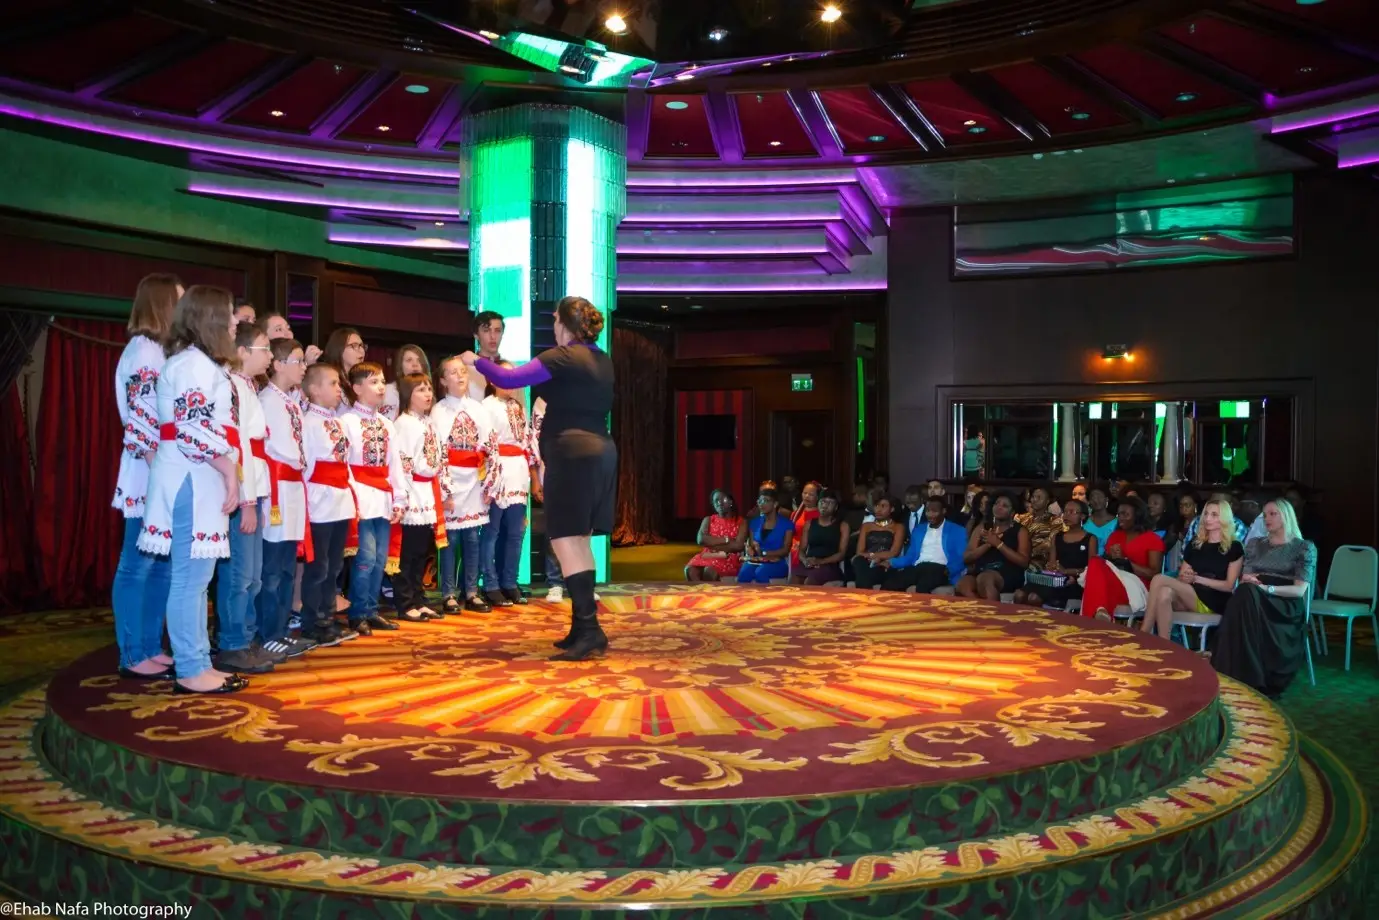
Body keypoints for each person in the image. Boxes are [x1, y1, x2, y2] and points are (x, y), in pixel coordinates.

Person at [462, 296, 616, 662]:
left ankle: (589, 628)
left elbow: (509, 378)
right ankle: (584, 626)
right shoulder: (603, 359)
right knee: (579, 539)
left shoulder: (560, 357)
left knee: (564, 540)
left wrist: (476, 361)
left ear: (563, 324)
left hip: (572, 453)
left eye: (555, 322)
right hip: (601, 451)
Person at [135, 285, 246, 695]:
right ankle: (190, 666)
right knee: (189, 579)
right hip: (190, 477)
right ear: (212, 318)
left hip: (196, 476)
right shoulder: (191, 365)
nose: (236, 322)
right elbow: (192, 429)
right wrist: (230, 471)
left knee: (197, 578)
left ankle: (197, 661)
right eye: (231, 313)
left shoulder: (197, 363)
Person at [110, 273, 180, 679]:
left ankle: (150, 644)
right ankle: (132, 651)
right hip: (147, 471)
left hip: (163, 468)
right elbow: (140, 422)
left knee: (162, 565)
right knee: (137, 563)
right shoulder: (142, 352)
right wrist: (162, 475)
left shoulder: (162, 352)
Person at [213, 321, 280, 674]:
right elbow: (237, 446)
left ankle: (247, 637)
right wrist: (249, 500)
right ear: (241, 352)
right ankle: (233, 642)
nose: (270, 355)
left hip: (254, 488)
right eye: (264, 348)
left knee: (253, 575)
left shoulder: (247, 385)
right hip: (242, 493)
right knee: (239, 574)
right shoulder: (230, 386)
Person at [1212, 500, 1317, 697]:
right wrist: (1248, 580)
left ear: (1286, 516)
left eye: (1272, 514)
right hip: (1253, 599)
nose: (1267, 518)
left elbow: (1299, 591)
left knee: (1246, 595)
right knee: (1245, 593)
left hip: (1283, 604)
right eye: (1265, 514)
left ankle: (1231, 670)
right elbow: (1246, 579)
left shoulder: (1303, 547)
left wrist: (1267, 589)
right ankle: (1242, 673)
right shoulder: (1255, 544)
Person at [339, 362, 409, 635]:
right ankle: (357, 613)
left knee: (380, 558)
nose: (381, 387)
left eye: (382, 381)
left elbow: (395, 464)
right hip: (360, 498)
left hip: (382, 497)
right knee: (365, 558)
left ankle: (371, 609)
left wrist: (399, 498)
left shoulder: (386, 424)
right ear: (356, 388)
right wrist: (351, 495)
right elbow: (343, 463)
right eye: (373, 382)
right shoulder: (346, 421)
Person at [256, 338, 315, 660]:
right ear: (278, 365)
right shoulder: (267, 400)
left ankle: (280, 630)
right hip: (276, 491)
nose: (303, 367)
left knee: (288, 567)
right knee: (273, 568)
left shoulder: (291, 402)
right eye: (296, 360)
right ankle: (268, 633)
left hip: (293, 490)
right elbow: (271, 449)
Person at [298, 363, 360, 648]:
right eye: (333, 383)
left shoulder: (338, 421)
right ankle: (314, 621)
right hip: (320, 502)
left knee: (334, 565)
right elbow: (306, 465)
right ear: (313, 389)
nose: (339, 389)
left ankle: (329, 616)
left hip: (339, 501)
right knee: (319, 566)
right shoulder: (308, 422)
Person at [431, 356, 496, 613]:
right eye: (452, 373)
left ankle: (471, 590)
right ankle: (448, 592)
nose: (459, 377)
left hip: (474, 481)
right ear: (443, 380)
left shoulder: (479, 409)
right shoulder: (438, 411)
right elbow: (436, 452)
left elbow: (490, 447)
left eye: (462, 372)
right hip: (450, 482)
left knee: (472, 538)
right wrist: (444, 489)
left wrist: (490, 483)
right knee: (450, 541)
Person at [393, 372, 451, 623]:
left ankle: (419, 597)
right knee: (408, 552)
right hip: (413, 492)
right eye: (420, 390)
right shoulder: (404, 423)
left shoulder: (428, 422)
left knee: (421, 552)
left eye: (429, 388)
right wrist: (402, 497)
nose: (427, 394)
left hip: (428, 492)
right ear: (408, 395)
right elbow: (403, 463)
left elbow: (439, 457)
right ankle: (405, 602)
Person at [477, 361, 536, 609]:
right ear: (491, 380)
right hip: (497, 470)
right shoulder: (486, 406)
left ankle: (509, 580)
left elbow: (527, 442)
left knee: (516, 532)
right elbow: (482, 443)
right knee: (491, 532)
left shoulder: (519, 408)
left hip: (518, 472)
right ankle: (489, 583)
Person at [1141, 500, 1243, 640]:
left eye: (1214, 515)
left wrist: (1197, 579)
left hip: (1214, 600)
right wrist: (1186, 577)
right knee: (1164, 593)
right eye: (1206, 514)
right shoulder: (1195, 544)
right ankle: (1164, 643)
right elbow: (1182, 575)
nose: (1207, 518)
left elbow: (1229, 586)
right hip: (1191, 594)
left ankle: (1144, 631)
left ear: (1224, 518)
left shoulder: (1234, 547)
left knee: (1159, 578)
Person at [1079, 495, 1165, 620]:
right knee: (1096, 561)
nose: (1121, 518)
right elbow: (1106, 566)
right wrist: (1110, 557)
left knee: (1095, 581)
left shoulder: (1152, 539)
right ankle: (1100, 611)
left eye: (1126, 514)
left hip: (1137, 587)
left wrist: (1125, 561)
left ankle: (1094, 617)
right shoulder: (1114, 536)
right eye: (1119, 514)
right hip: (1113, 583)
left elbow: (1154, 573)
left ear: (1137, 515)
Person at [877, 495, 967, 594]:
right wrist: (891, 562)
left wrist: (949, 571)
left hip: (940, 568)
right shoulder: (919, 529)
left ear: (944, 511)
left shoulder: (957, 530)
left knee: (922, 587)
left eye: (934, 511)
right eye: (927, 511)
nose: (930, 514)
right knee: (889, 585)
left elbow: (961, 557)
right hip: (919, 566)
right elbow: (911, 556)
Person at [1022, 498, 1096, 609]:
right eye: (1065, 512)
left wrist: (1067, 572)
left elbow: (1092, 569)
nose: (1066, 515)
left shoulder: (1090, 539)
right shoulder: (1057, 537)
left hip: (1076, 582)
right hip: (1055, 579)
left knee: (1034, 598)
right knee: (1020, 594)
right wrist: (1052, 567)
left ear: (1083, 516)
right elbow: (1053, 563)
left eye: (1072, 512)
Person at [957, 493, 1031, 601]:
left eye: (1005, 506)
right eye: (996, 504)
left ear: (1012, 513)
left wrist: (998, 544)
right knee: (962, 585)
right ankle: (981, 609)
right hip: (980, 570)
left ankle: (992, 614)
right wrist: (987, 545)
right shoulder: (982, 527)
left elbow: (1024, 561)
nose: (999, 507)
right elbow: (967, 558)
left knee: (986, 578)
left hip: (1007, 573)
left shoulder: (1020, 531)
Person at [791, 489, 850, 586]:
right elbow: (802, 550)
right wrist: (805, 560)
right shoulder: (809, 523)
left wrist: (821, 561)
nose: (825, 505)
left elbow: (841, 554)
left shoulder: (842, 525)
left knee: (809, 582)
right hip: (809, 563)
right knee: (794, 580)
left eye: (829, 503)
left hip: (829, 565)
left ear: (836, 507)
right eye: (822, 502)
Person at [686, 490, 748, 582]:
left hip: (728, 558)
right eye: (716, 501)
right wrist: (727, 540)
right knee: (690, 570)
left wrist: (711, 542)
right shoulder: (708, 520)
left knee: (709, 571)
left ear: (731, 502)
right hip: (708, 555)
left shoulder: (741, 522)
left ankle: (709, 595)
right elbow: (701, 539)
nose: (719, 503)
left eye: (723, 499)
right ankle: (700, 594)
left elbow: (738, 545)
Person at [738, 489, 795, 584]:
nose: (762, 504)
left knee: (760, 572)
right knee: (744, 572)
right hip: (757, 560)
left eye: (766, 501)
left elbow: (785, 550)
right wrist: (750, 549)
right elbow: (752, 544)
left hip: (777, 562)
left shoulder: (787, 524)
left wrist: (765, 553)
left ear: (775, 504)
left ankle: (766, 598)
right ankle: (744, 598)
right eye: (760, 501)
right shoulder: (754, 522)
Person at [850, 495, 905, 589]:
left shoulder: (898, 527)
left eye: (883, 506)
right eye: (877, 506)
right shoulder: (866, 526)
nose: (878, 509)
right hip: (865, 561)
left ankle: (862, 596)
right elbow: (860, 552)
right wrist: (872, 557)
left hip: (885, 563)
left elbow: (894, 553)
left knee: (866, 574)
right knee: (858, 561)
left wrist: (877, 559)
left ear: (892, 509)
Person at [321, 327, 366, 409]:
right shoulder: (330, 381)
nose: (361, 350)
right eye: (354, 345)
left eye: (361, 345)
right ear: (339, 349)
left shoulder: (360, 380)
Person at [382, 344, 430, 421]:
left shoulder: (428, 392)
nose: (415, 364)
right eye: (409, 360)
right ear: (400, 366)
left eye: (419, 360)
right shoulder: (390, 391)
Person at [467, 311, 505, 401]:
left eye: (497, 331)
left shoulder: (511, 369)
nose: (493, 336)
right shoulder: (466, 370)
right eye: (486, 331)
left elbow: (520, 407)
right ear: (476, 335)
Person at [788, 481, 821, 569]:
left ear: (818, 497)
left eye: (811, 494)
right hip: (793, 549)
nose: (806, 496)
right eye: (805, 493)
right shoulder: (796, 514)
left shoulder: (820, 515)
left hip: (809, 550)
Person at [1085, 486, 1117, 556]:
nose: (1096, 500)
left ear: (1106, 499)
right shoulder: (1084, 522)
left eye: (1099, 497)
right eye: (1093, 497)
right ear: (1089, 501)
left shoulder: (1117, 522)